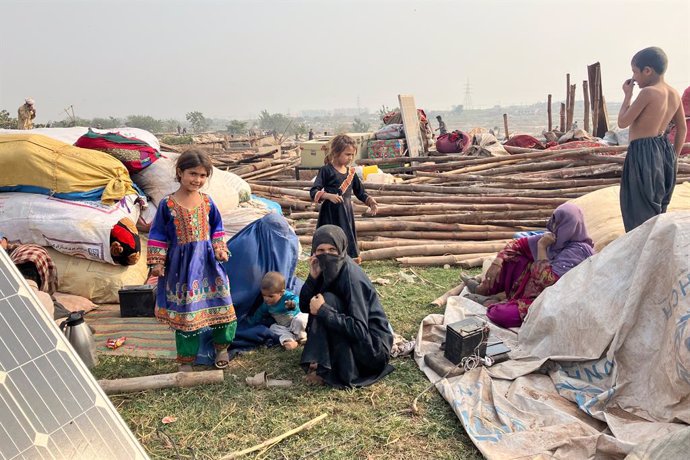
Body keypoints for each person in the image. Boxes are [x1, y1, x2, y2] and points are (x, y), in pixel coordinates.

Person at [147, 149, 237, 370]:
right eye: (193, 173)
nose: (197, 179)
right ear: (180, 172)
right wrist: (157, 262)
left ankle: (221, 349)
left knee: (222, 305)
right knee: (186, 314)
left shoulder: (207, 202)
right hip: (181, 269)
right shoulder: (167, 205)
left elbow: (217, 227)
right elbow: (157, 234)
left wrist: (219, 248)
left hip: (208, 265)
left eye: (203, 175)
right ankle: (186, 359)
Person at [462, 203, 595, 328]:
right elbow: (517, 244)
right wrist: (498, 261)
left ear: (570, 226)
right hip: (532, 291)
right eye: (553, 221)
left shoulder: (578, 251)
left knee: (500, 315)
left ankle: (492, 302)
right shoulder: (554, 239)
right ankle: (483, 290)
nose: (553, 226)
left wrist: (542, 247)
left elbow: (547, 282)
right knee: (511, 259)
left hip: (549, 302)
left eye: (558, 223)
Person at [299, 225, 394, 388]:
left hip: (374, 351)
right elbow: (305, 307)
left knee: (325, 301)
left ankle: (337, 371)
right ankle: (321, 361)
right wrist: (312, 278)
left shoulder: (351, 277)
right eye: (320, 251)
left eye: (332, 249)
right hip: (361, 341)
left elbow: (359, 330)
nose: (326, 255)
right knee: (323, 300)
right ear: (314, 252)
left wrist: (323, 311)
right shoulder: (326, 270)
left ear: (342, 249)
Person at [617, 47, 686, 232]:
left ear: (648, 70)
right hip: (663, 151)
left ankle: (643, 254)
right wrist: (674, 157)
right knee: (657, 206)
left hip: (643, 153)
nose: (634, 78)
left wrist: (627, 96)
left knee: (638, 210)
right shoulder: (673, 93)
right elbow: (682, 128)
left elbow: (623, 122)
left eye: (635, 72)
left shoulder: (648, 93)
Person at [310, 134, 378, 262]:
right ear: (336, 152)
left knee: (346, 239)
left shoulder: (351, 173)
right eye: (347, 154)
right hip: (329, 214)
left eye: (352, 155)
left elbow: (360, 192)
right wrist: (328, 196)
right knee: (328, 239)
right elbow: (314, 191)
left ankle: (346, 265)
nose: (350, 158)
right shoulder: (326, 170)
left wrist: (370, 202)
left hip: (345, 214)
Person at [247, 272, 307, 350]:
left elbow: (296, 299)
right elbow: (259, 313)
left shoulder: (286, 296)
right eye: (264, 295)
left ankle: (302, 338)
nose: (266, 299)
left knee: (300, 320)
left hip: (294, 319)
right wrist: (250, 322)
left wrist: (293, 304)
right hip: (284, 326)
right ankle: (290, 341)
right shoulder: (266, 304)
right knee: (273, 328)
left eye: (270, 296)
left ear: (281, 293)